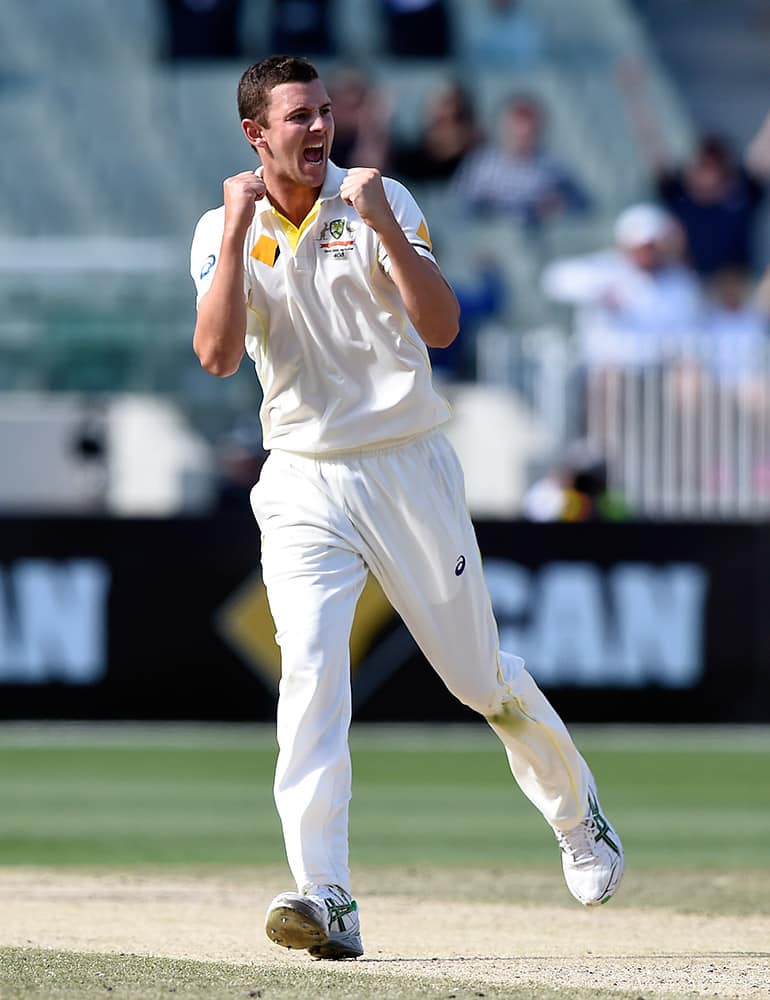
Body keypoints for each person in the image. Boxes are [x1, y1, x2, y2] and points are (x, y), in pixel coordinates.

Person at [190, 55, 624, 962]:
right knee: (309, 673)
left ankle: (579, 816)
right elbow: (219, 356)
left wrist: (383, 220)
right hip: (303, 476)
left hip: (406, 465)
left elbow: (440, 327)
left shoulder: (382, 199)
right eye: (297, 117)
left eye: (323, 113)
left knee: (477, 680)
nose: (317, 130)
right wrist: (233, 237)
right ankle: (327, 895)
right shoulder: (221, 227)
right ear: (254, 135)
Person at [452, 94, 590, 227]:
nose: (522, 137)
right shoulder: (481, 166)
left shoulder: (553, 169)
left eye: (528, 132)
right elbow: (461, 208)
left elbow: (582, 205)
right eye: (517, 131)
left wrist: (560, 205)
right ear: (504, 128)